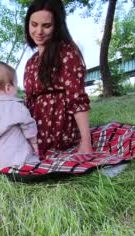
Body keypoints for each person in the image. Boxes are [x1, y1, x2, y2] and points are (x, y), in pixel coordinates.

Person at [24, 0, 93, 155]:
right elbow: (28, 102)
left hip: (60, 132)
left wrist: (86, 143)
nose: (39, 31)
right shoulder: (31, 62)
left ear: (57, 27)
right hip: (34, 131)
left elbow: (77, 99)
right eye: (34, 24)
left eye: (46, 25)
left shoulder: (67, 54)